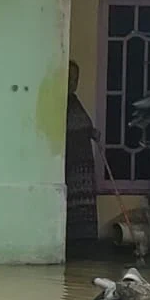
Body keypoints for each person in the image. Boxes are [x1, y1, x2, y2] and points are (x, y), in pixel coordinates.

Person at [66, 60, 100, 250]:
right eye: (69, 78)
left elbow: (80, 125)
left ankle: (85, 243)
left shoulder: (74, 101)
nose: (73, 83)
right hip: (70, 165)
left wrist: (92, 132)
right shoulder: (58, 103)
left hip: (84, 166)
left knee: (84, 206)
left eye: (76, 79)